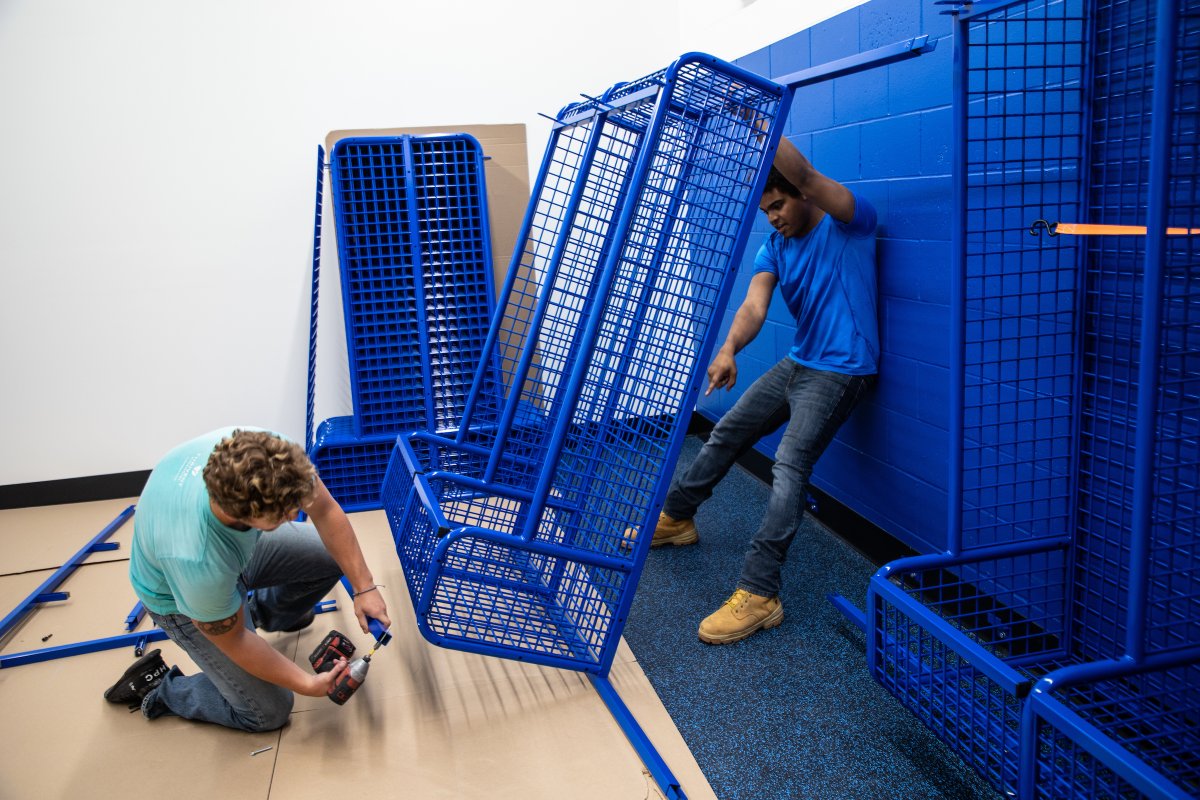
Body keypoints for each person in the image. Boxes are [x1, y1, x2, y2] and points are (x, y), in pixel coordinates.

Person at [649, 137, 878, 645]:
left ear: (801, 195)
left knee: (789, 465)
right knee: (727, 430)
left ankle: (760, 593)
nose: (773, 217)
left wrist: (761, 123)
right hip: (800, 361)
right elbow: (754, 306)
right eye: (766, 210)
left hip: (843, 370)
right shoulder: (774, 244)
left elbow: (811, 175)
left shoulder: (848, 224)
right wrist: (728, 347)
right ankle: (677, 519)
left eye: (779, 205)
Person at [104, 427, 392, 731]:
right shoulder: (197, 558)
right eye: (285, 513)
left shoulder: (268, 454)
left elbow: (324, 509)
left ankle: (259, 614)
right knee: (268, 712)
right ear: (242, 514)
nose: (296, 513)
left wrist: (365, 587)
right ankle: (162, 689)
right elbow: (237, 640)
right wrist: (307, 684)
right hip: (178, 597)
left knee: (330, 554)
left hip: (228, 559)